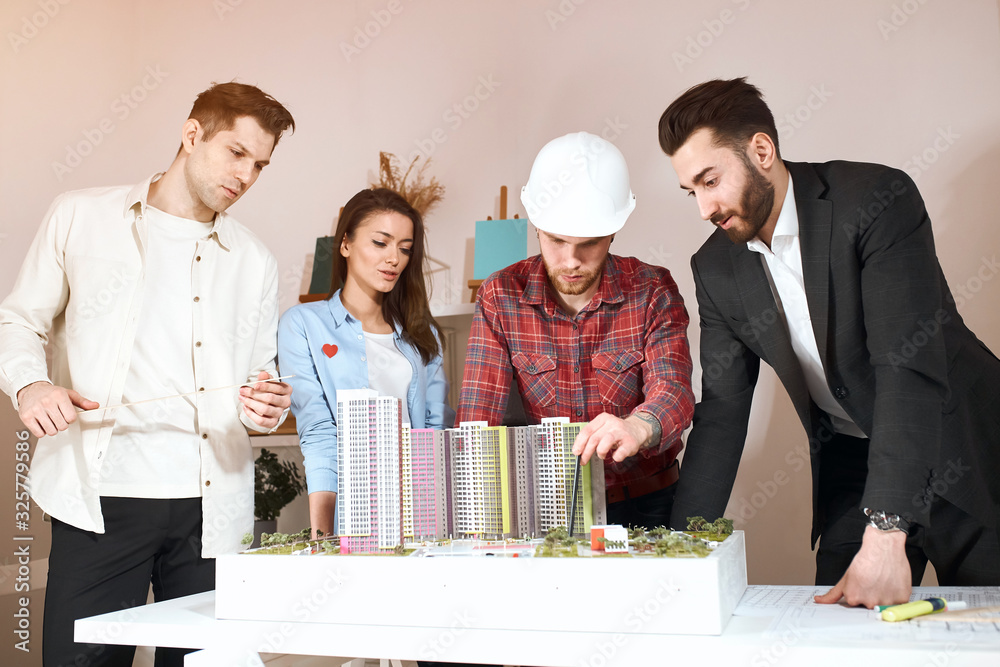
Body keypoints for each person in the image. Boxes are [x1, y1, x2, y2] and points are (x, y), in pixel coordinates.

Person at [659, 77, 1000, 608]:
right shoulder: (716, 267)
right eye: (692, 191)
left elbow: (904, 366)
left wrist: (887, 527)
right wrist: (679, 551)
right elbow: (723, 411)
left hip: (958, 442)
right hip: (852, 459)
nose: (705, 207)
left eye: (711, 180)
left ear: (762, 151)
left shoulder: (876, 200)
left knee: (987, 620)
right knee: (838, 624)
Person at [0, 81, 295, 666]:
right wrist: (31, 385)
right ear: (192, 134)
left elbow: (259, 380)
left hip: (212, 506)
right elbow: (18, 321)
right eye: (237, 152)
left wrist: (267, 406)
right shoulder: (79, 216)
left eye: (260, 165)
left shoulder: (256, 260)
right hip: (102, 497)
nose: (246, 176)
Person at [456, 131, 695, 530]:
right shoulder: (500, 295)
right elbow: (478, 420)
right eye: (557, 240)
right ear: (535, 226)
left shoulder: (652, 289)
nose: (571, 260)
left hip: (648, 504)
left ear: (614, 232)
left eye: (590, 243)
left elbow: (674, 390)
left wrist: (638, 426)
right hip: (551, 506)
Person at [278, 187, 454, 539]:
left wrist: (435, 524)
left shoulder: (423, 334)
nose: (394, 259)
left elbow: (436, 431)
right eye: (380, 243)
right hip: (352, 512)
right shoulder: (302, 324)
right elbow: (318, 431)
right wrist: (322, 536)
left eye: (405, 249)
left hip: (420, 508)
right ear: (345, 244)